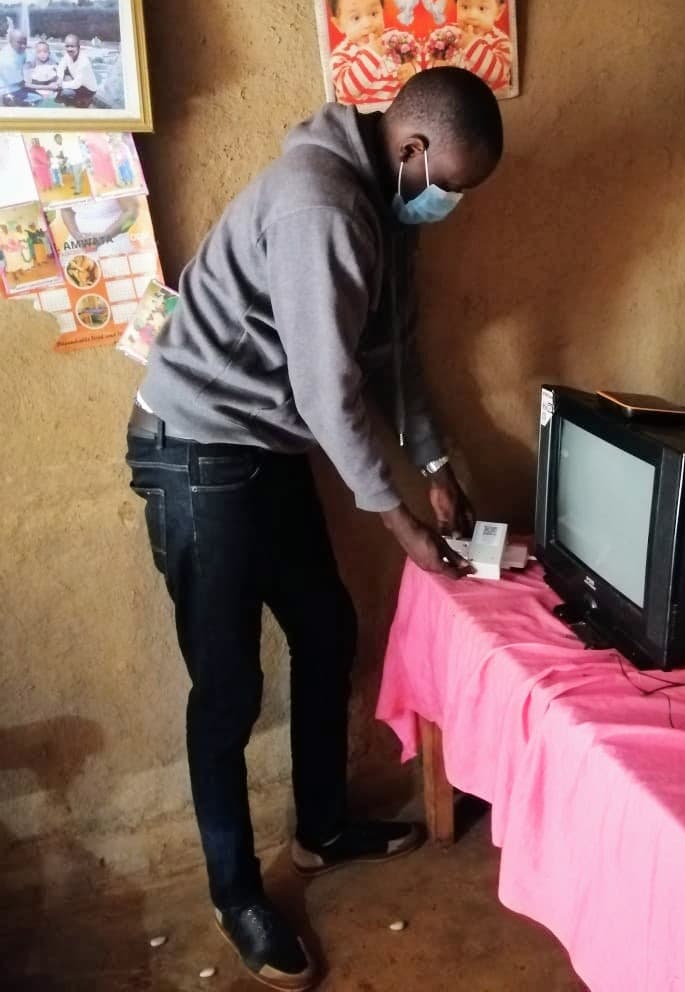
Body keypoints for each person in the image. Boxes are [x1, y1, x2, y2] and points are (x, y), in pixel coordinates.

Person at [126, 67, 503, 990]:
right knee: (226, 684)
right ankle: (234, 892)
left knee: (327, 626)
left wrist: (439, 464)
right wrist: (405, 527)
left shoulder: (382, 206)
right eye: (449, 186)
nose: (449, 205)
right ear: (412, 151)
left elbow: (397, 355)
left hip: (261, 444)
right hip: (196, 447)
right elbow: (328, 396)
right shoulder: (321, 206)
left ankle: (322, 829)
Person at [328, 0, 417, 105]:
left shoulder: (394, 39)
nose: (368, 23)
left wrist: (413, 70)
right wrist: (372, 54)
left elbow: (420, 58)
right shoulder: (341, 55)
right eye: (356, 18)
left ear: (382, 10)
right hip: (362, 119)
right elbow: (346, 89)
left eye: (374, 13)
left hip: (399, 114)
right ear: (338, 24)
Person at [435, 0, 512, 92]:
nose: (472, 15)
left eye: (482, 8)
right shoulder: (449, 33)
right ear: (456, 4)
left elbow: (498, 75)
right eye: (465, 6)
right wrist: (438, 65)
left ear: (498, 12)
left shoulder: (501, 42)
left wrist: (472, 44)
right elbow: (432, 53)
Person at [54, 35, 98, 107]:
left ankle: (86, 100)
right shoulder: (68, 55)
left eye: (72, 46)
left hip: (88, 90)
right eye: (67, 46)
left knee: (64, 93)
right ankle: (76, 101)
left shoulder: (84, 62)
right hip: (78, 83)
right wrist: (60, 78)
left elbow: (76, 84)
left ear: (78, 47)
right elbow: (61, 66)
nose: (69, 49)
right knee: (62, 76)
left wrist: (60, 85)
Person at [0, 27, 30, 105]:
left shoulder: (18, 50)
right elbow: (22, 84)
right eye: (19, 43)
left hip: (15, 86)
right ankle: (6, 100)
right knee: (39, 99)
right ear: (10, 42)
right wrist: (48, 87)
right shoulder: (7, 60)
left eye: (25, 43)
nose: (23, 46)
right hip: (8, 90)